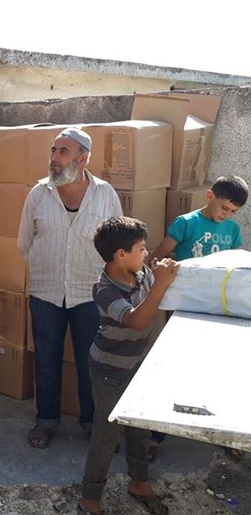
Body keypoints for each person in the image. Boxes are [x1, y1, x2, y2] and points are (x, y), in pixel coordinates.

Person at [18, 127, 123, 449]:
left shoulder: (105, 194)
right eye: (53, 150)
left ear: (83, 158)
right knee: (46, 359)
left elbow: (118, 243)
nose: (54, 158)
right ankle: (46, 420)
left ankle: (92, 423)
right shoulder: (38, 193)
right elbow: (25, 242)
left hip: (90, 294)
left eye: (62, 152)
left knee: (89, 361)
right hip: (46, 292)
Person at [78, 216, 178, 515]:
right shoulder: (104, 289)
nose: (147, 254)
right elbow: (137, 321)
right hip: (109, 370)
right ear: (121, 254)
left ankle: (139, 482)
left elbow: (157, 285)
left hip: (137, 364)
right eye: (142, 248)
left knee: (139, 428)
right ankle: (90, 499)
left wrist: (161, 275)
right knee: (106, 437)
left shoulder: (141, 273)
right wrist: (160, 284)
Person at [146, 174, 249, 461]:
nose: (226, 215)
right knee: (171, 368)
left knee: (220, 372)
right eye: (224, 208)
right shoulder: (185, 223)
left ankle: (228, 433)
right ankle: (156, 434)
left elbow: (233, 267)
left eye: (233, 212)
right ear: (209, 196)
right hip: (182, 309)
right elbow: (159, 258)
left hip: (219, 312)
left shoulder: (232, 230)